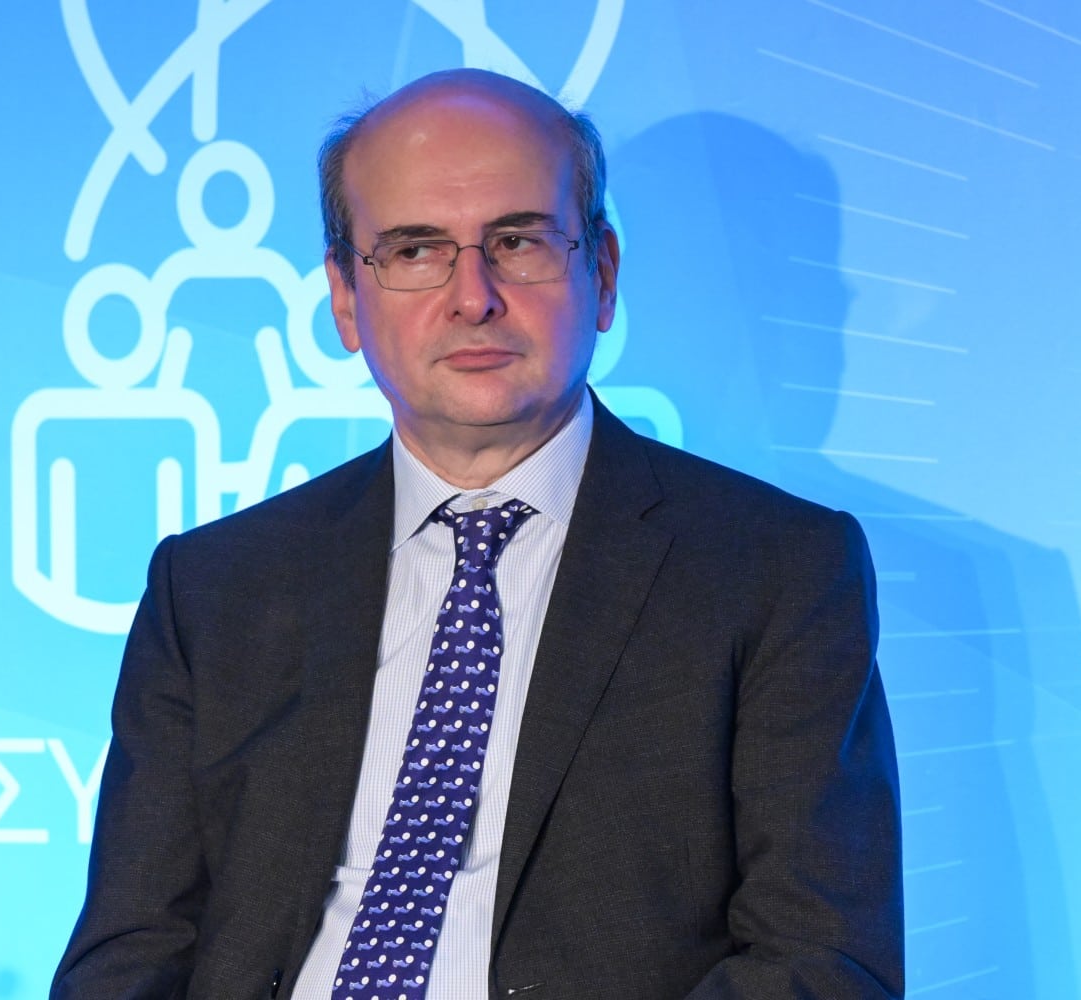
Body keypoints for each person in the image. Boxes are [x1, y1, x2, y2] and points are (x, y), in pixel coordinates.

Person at [51, 68, 903, 1000]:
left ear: (602, 273)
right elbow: (131, 954)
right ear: (345, 297)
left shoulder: (773, 569)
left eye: (519, 241)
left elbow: (820, 960)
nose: (473, 296)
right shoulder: (214, 587)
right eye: (415, 249)